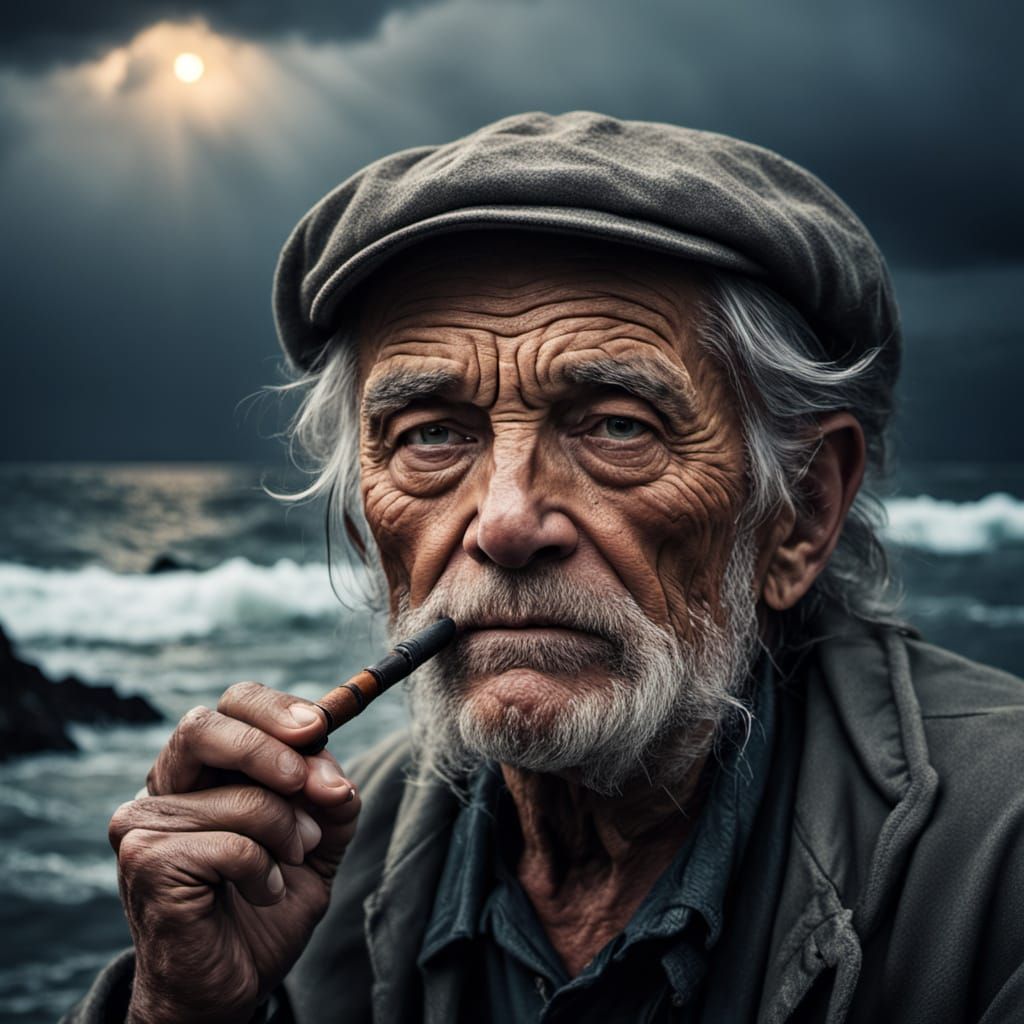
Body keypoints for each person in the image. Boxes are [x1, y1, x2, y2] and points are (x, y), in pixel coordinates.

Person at [66, 112, 1024, 1024]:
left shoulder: (998, 861)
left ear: (802, 511)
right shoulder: (308, 871)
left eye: (616, 426)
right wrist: (181, 1008)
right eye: (432, 435)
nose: (506, 522)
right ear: (368, 527)